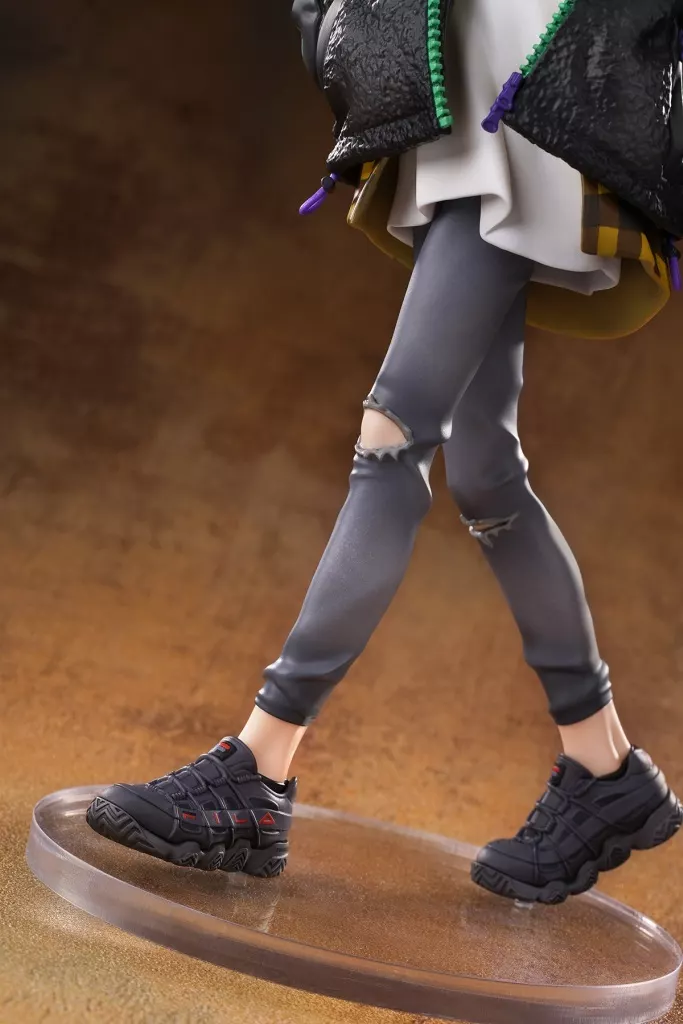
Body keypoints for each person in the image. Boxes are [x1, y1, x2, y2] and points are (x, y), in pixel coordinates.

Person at [86, 0, 683, 903]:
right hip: (481, 113)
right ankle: (604, 770)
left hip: (523, 126)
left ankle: (260, 763)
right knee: (486, 474)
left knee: (392, 441)